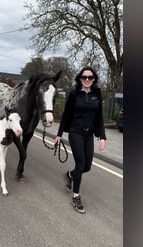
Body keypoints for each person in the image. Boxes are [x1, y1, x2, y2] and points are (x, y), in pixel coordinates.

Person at [55, 66, 106, 214]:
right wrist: (59, 134)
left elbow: (99, 116)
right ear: (80, 78)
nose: (87, 80)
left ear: (94, 79)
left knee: (87, 167)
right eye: (84, 77)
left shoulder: (97, 94)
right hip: (75, 132)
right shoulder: (73, 94)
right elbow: (65, 115)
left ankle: (70, 175)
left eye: (90, 77)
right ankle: (76, 196)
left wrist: (102, 136)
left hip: (89, 135)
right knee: (80, 163)